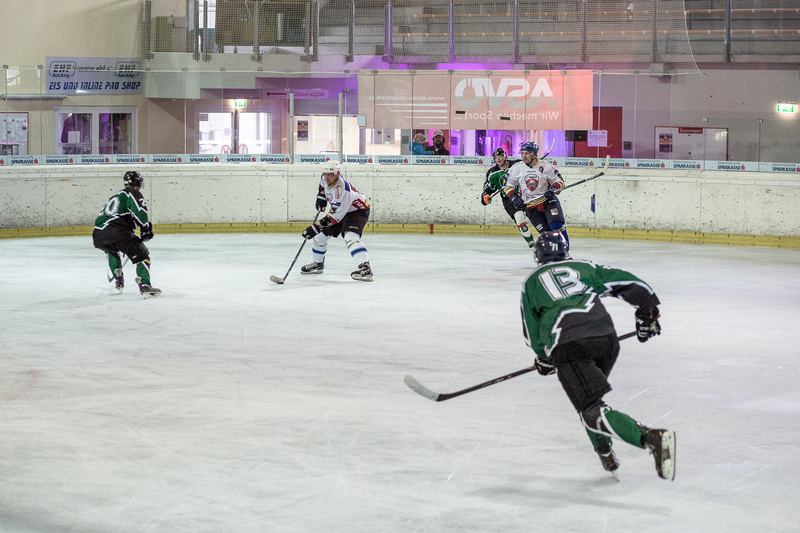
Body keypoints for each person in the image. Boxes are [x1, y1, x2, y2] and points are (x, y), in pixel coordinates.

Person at [521, 231, 675, 481]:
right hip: (606, 340)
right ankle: (605, 451)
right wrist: (646, 315)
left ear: (538, 256)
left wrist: (543, 358)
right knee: (589, 401)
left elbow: (532, 332)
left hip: (569, 345)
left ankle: (650, 437)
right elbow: (632, 284)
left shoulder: (531, 282)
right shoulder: (583, 267)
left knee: (590, 407)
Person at [490, 141, 571, 254]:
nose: (524, 156)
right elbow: (507, 186)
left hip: (547, 200)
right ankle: (557, 254)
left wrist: (553, 188)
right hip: (530, 205)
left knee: (556, 225)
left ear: (534, 154)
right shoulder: (517, 168)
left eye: (527, 153)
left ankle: (565, 254)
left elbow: (560, 182)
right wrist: (513, 197)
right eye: (522, 153)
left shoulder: (546, 166)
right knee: (546, 234)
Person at [300, 161, 373, 282]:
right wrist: (321, 196)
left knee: (350, 237)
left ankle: (365, 269)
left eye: (330, 174)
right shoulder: (325, 177)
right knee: (319, 237)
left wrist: (316, 227)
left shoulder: (342, 190)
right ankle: (318, 264)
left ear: (337, 173)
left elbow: (334, 218)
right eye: (325, 174)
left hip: (357, 210)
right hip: (341, 210)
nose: (326, 177)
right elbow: (322, 185)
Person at [92, 171, 161, 298]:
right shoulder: (132, 193)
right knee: (142, 255)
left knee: (112, 250)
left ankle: (118, 277)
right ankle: (145, 285)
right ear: (138, 183)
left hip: (98, 235)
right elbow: (139, 211)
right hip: (117, 232)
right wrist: (145, 228)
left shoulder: (115, 197)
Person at [480, 147, 536, 247]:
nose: (498, 159)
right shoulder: (492, 173)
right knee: (519, 218)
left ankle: (548, 236)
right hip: (508, 199)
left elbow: (530, 169)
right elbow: (488, 187)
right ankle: (531, 242)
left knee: (537, 217)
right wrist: (486, 195)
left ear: (505, 156)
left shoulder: (517, 164)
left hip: (525, 195)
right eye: (496, 157)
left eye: (501, 156)